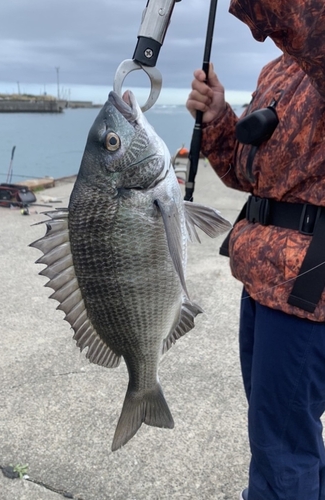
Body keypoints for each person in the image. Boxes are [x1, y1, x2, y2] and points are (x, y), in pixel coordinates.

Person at [186, 1, 325, 499]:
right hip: (264, 281)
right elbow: (247, 173)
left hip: (308, 285)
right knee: (281, 437)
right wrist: (221, 115)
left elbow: (304, 17)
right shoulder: (278, 70)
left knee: (282, 448)